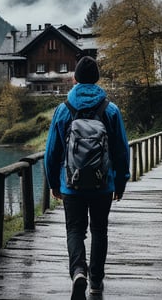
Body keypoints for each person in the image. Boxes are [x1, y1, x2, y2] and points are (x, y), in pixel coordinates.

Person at [44, 56, 130, 299]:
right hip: (103, 185)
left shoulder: (63, 110)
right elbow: (122, 151)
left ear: (75, 79)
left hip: (71, 185)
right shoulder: (110, 110)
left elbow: (51, 153)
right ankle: (96, 282)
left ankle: (78, 271)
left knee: (74, 230)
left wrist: (54, 183)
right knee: (99, 231)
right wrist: (121, 182)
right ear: (98, 79)